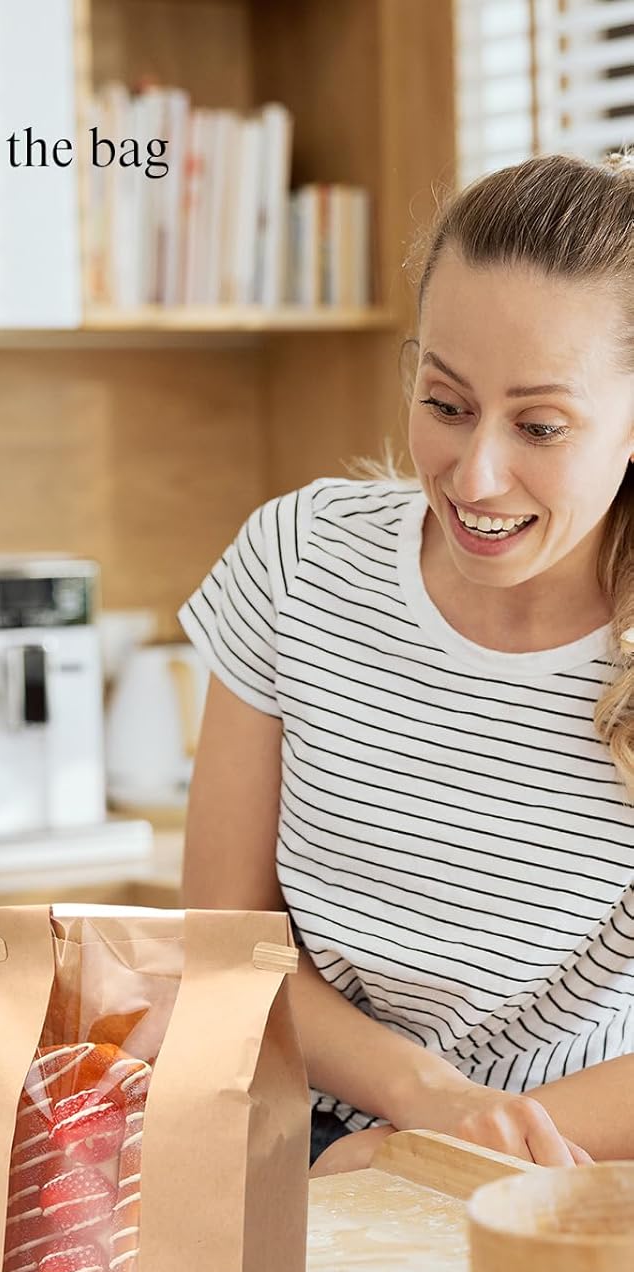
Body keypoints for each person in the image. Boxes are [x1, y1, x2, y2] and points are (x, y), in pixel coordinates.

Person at [180, 152, 634, 1172]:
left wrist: (422, 1154)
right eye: (445, 404)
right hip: (303, 1154)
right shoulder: (298, 561)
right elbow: (224, 939)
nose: (476, 475)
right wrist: (418, 1102)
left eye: (541, 426)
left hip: (573, 1177)